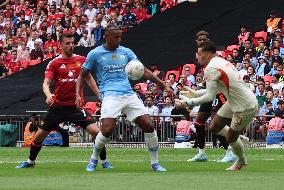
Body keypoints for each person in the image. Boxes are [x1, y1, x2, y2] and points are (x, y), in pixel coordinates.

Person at [76, 24, 173, 172]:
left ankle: (155, 163)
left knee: (148, 125)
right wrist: (78, 94)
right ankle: (94, 159)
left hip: (128, 94)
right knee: (107, 130)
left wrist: (162, 85)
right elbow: (82, 75)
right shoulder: (94, 54)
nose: (119, 40)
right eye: (116, 37)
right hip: (110, 95)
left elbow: (143, 70)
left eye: (120, 36)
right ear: (106, 36)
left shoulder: (126, 52)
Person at [16, 31, 112, 170]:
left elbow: (89, 79)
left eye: (72, 43)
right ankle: (30, 161)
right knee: (38, 137)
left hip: (76, 107)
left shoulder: (81, 60)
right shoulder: (54, 63)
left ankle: (104, 161)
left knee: (97, 133)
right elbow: (46, 84)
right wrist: (49, 95)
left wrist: (100, 96)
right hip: (58, 107)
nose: (71, 45)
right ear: (60, 45)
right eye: (67, 43)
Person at [177, 41, 258, 170]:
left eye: (199, 54)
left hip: (244, 106)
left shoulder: (211, 68)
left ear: (208, 55)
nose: (197, 56)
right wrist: (196, 93)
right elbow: (218, 89)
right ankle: (238, 137)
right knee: (214, 127)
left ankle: (241, 160)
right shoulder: (221, 62)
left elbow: (210, 96)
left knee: (231, 137)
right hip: (234, 101)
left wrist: (190, 102)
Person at [184, 31, 236, 163]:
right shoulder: (199, 56)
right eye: (199, 39)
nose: (201, 41)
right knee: (199, 122)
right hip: (208, 91)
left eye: (204, 39)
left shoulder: (214, 56)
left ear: (208, 40)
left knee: (215, 124)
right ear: (196, 41)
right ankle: (201, 153)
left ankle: (229, 152)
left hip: (218, 92)